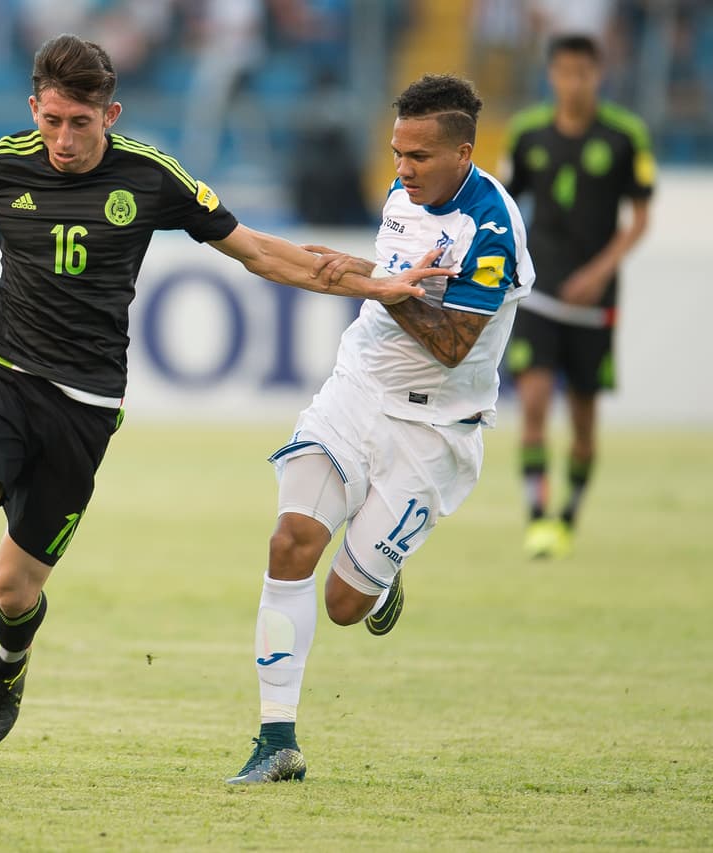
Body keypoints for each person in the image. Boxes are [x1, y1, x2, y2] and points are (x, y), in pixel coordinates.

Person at [0, 34, 435, 779]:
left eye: (80, 123)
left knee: (13, 587)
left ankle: (9, 662)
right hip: (2, 377)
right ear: (35, 108)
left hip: (86, 408)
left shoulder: (153, 179)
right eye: (52, 119)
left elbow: (256, 251)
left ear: (110, 115)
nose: (63, 138)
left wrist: (372, 283)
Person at [226, 73, 533, 785]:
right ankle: (277, 739)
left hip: (438, 430)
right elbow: (395, 281)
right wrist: (365, 274)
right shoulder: (404, 196)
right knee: (289, 539)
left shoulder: (491, 227)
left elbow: (452, 342)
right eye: (396, 152)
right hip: (358, 391)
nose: (401, 169)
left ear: (464, 151)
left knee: (342, 604)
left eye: (419, 156)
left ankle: (380, 574)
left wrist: (384, 292)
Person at [503, 34, 654, 559]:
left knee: (585, 423)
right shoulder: (527, 133)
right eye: (564, 72)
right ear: (551, 75)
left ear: (598, 74)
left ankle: (569, 513)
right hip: (540, 293)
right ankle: (538, 516)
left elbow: (640, 221)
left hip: (594, 301)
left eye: (583, 73)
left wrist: (599, 271)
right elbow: (504, 201)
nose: (573, 82)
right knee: (536, 405)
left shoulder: (624, 136)